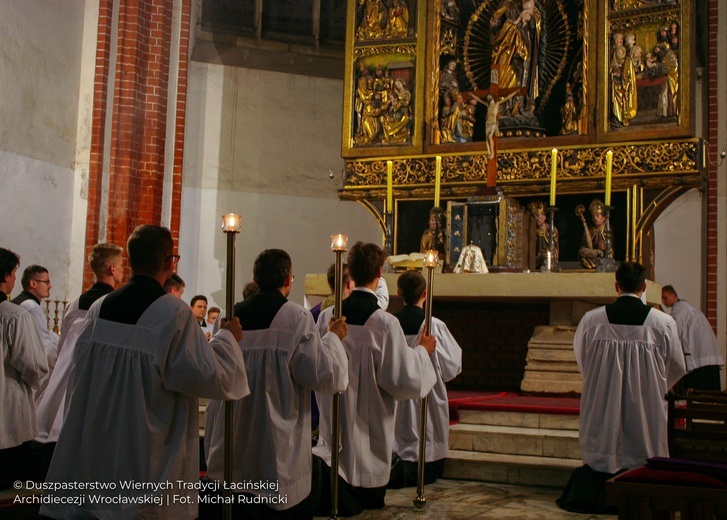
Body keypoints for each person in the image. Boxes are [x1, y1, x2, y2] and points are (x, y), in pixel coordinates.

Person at [40, 225, 249, 520]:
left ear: (128, 259)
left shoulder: (99, 308)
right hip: (144, 457)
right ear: (169, 262)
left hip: (98, 448)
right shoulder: (173, 313)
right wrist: (226, 339)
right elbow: (210, 378)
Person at [202, 249, 348, 520]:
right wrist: (334, 339)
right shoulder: (296, 317)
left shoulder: (230, 315)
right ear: (288, 279)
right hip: (275, 442)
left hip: (232, 433)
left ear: (255, 279)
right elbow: (325, 377)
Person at [314, 241, 437, 517]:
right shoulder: (384, 323)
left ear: (351, 273)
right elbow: (403, 378)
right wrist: (422, 352)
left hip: (335, 422)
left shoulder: (327, 318)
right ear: (380, 272)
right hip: (370, 430)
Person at [575, 262, 685, 475]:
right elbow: (677, 365)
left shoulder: (592, 320)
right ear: (644, 288)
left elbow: (582, 359)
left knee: (603, 441)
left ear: (617, 286)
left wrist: (601, 379)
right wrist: (658, 384)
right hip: (646, 401)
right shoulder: (663, 323)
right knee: (644, 442)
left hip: (603, 400)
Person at [33, 243, 124, 481]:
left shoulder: (76, 302)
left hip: (67, 372)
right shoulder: (114, 304)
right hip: (96, 379)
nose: (124, 270)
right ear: (113, 269)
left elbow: (64, 344)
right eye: (122, 265)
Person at [388, 270, 462, 488]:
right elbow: (452, 366)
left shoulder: (390, 324)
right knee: (426, 436)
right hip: (427, 398)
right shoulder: (433, 326)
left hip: (396, 396)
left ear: (399, 293)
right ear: (425, 294)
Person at [0, 247, 48, 489]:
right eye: (13, 273)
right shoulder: (13, 316)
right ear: (6, 276)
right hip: (6, 416)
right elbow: (33, 365)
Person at [661, 285, 724, 391]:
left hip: (700, 358)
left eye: (665, 297)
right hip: (705, 355)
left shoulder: (681, 309)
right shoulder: (685, 307)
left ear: (673, 295)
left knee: (700, 394)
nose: (663, 301)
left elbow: (675, 332)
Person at [11, 264, 60, 375]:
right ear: (33, 283)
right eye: (46, 282)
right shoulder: (32, 307)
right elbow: (44, 343)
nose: (50, 286)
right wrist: (57, 361)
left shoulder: (17, 302)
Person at [490, 0, 541, 104]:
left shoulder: (530, 4)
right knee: (502, 68)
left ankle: (517, 103)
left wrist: (530, 20)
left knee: (520, 73)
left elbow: (536, 21)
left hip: (523, 42)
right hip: (505, 42)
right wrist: (497, 27)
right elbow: (495, 22)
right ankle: (501, 104)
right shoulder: (507, 3)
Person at [578, 199, 611, 269]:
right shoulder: (589, 230)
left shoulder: (608, 230)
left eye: (597, 215)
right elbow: (582, 249)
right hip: (591, 258)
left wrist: (605, 248)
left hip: (604, 260)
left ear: (604, 217)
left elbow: (611, 248)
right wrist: (595, 252)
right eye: (593, 216)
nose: (595, 218)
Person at [528, 201, 558, 270]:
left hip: (547, 257)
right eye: (534, 216)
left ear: (544, 217)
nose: (537, 219)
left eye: (538, 215)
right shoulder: (532, 230)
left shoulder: (550, 229)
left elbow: (554, 248)